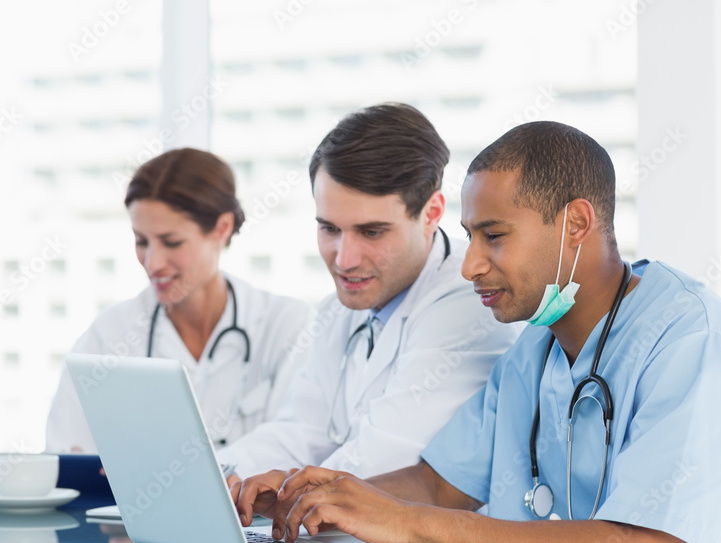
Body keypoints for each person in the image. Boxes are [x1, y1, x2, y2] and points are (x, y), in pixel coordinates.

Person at [233, 121, 721, 543]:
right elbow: (439, 484)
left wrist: (410, 521)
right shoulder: (533, 352)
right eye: (469, 236)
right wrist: (319, 496)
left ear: (576, 224)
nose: (470, 265)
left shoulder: (689, 337)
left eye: (493, 236)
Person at [217, 103, 521, 479]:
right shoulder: (343, 307)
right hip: (342, 534)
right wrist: (211, 476)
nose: (344, 260)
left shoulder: (470, 304)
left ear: (431, 213)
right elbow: (300, 432)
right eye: (329, 229)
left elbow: (386, 459)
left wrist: (278, 493)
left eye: (371, 232)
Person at [46, 148, 314, 453]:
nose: (153, 262)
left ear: (221, 228)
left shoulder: (285, 325)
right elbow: (67, 453)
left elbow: (299, 450)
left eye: (171, 242)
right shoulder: (109, 335)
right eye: (141, 241)